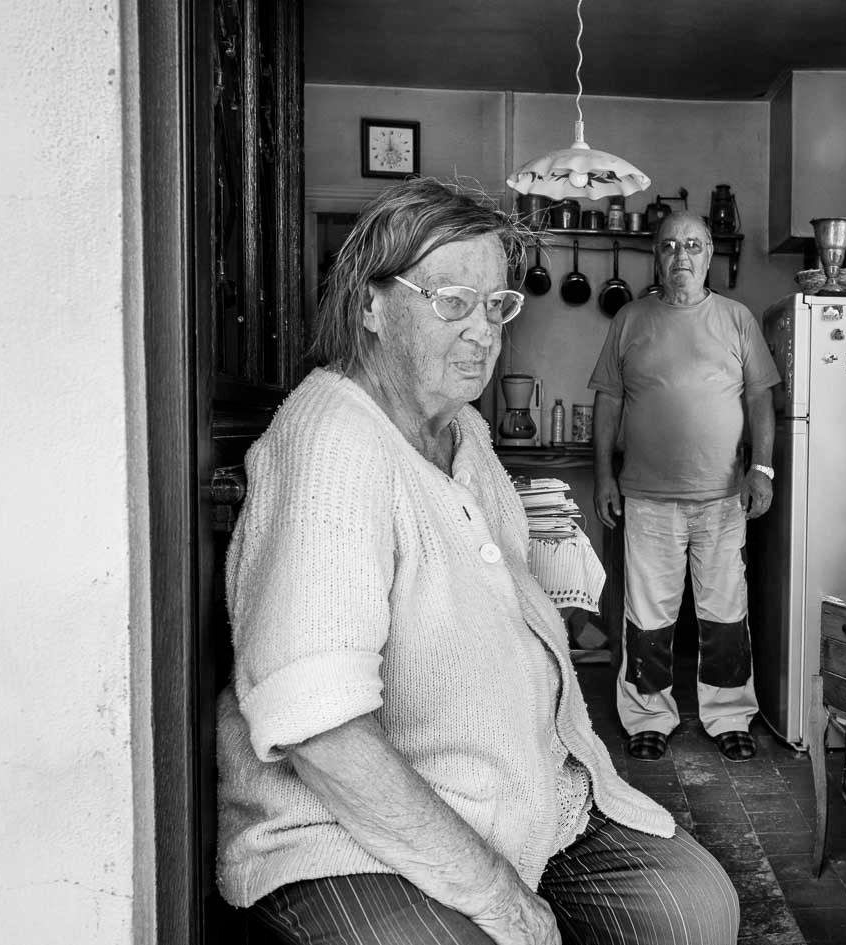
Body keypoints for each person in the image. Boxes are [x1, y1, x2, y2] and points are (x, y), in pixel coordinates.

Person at [215, 179, 740, 945]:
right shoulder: (333, 442)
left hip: (518, 798)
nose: (483, 331)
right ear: (370, 305)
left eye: (496, 305)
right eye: (452, 301)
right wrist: (497, 895)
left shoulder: (463, 430)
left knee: (692, 910)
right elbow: (319, 731)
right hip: (349, 830)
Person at [588, 211, 779, 764]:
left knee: (725, 612)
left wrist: (762, 469)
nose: (681, 256)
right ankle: (648, 716)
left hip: (722, 496)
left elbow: (760, 397)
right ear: (656, 254)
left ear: (710, 253)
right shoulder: (630, 319)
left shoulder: (736, 319)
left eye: (693, 245)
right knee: (648, 616)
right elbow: (608, 400)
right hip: (647, 496)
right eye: (670, 245)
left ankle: (729, 715)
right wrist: (603, 475)